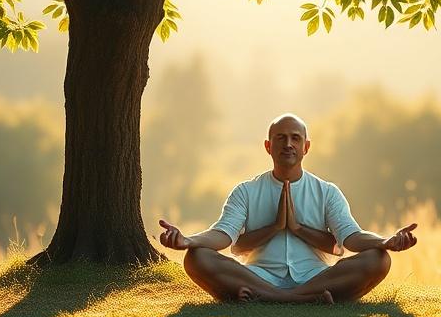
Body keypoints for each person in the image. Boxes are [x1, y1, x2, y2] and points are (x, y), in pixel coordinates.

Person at [158, 112, 419, 303]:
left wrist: (385, 241)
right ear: (268, 146)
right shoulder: (246, 191)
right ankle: (302, 300)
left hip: (316, 277)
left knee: (379, 259)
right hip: (258, 276)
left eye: (295, 138)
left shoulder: (327, 192)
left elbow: (351, 237)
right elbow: (223, 235)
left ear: (306, 147)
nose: (288, 144)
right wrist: (188, 240)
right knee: (196, 258)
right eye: (280, 138)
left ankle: (271, 298)